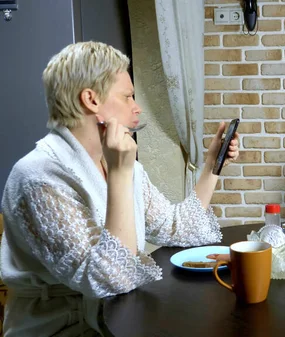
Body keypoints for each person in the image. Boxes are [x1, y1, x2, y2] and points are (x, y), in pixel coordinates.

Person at [0, 41, 239, 336]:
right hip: (59, 327)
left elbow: (177, 227)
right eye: (127, 96)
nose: (136, 108)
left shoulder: (121, 166)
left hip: (119, 316)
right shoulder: (37, 178)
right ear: (91, 100)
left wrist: (211, 165)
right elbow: (111, 278)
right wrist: (120, 175)